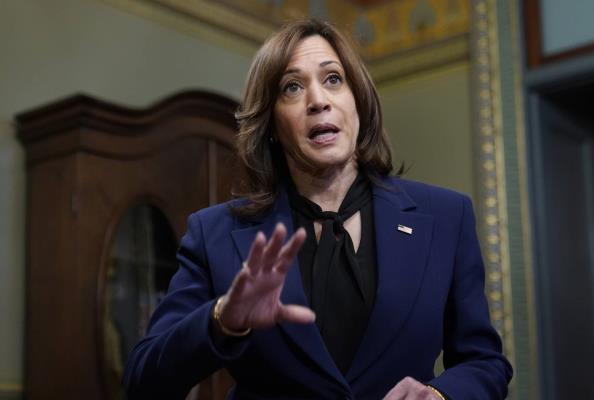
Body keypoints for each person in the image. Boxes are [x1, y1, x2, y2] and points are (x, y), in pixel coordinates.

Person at [124, 19, 512, 399]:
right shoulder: (215, 234)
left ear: (357, 101)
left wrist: (439, 396)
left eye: (333, 79)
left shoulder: (446, 216)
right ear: (272, 123)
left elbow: (485, 363)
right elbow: (143, 381)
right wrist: (222, 319)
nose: (318, 101)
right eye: (292, 87)